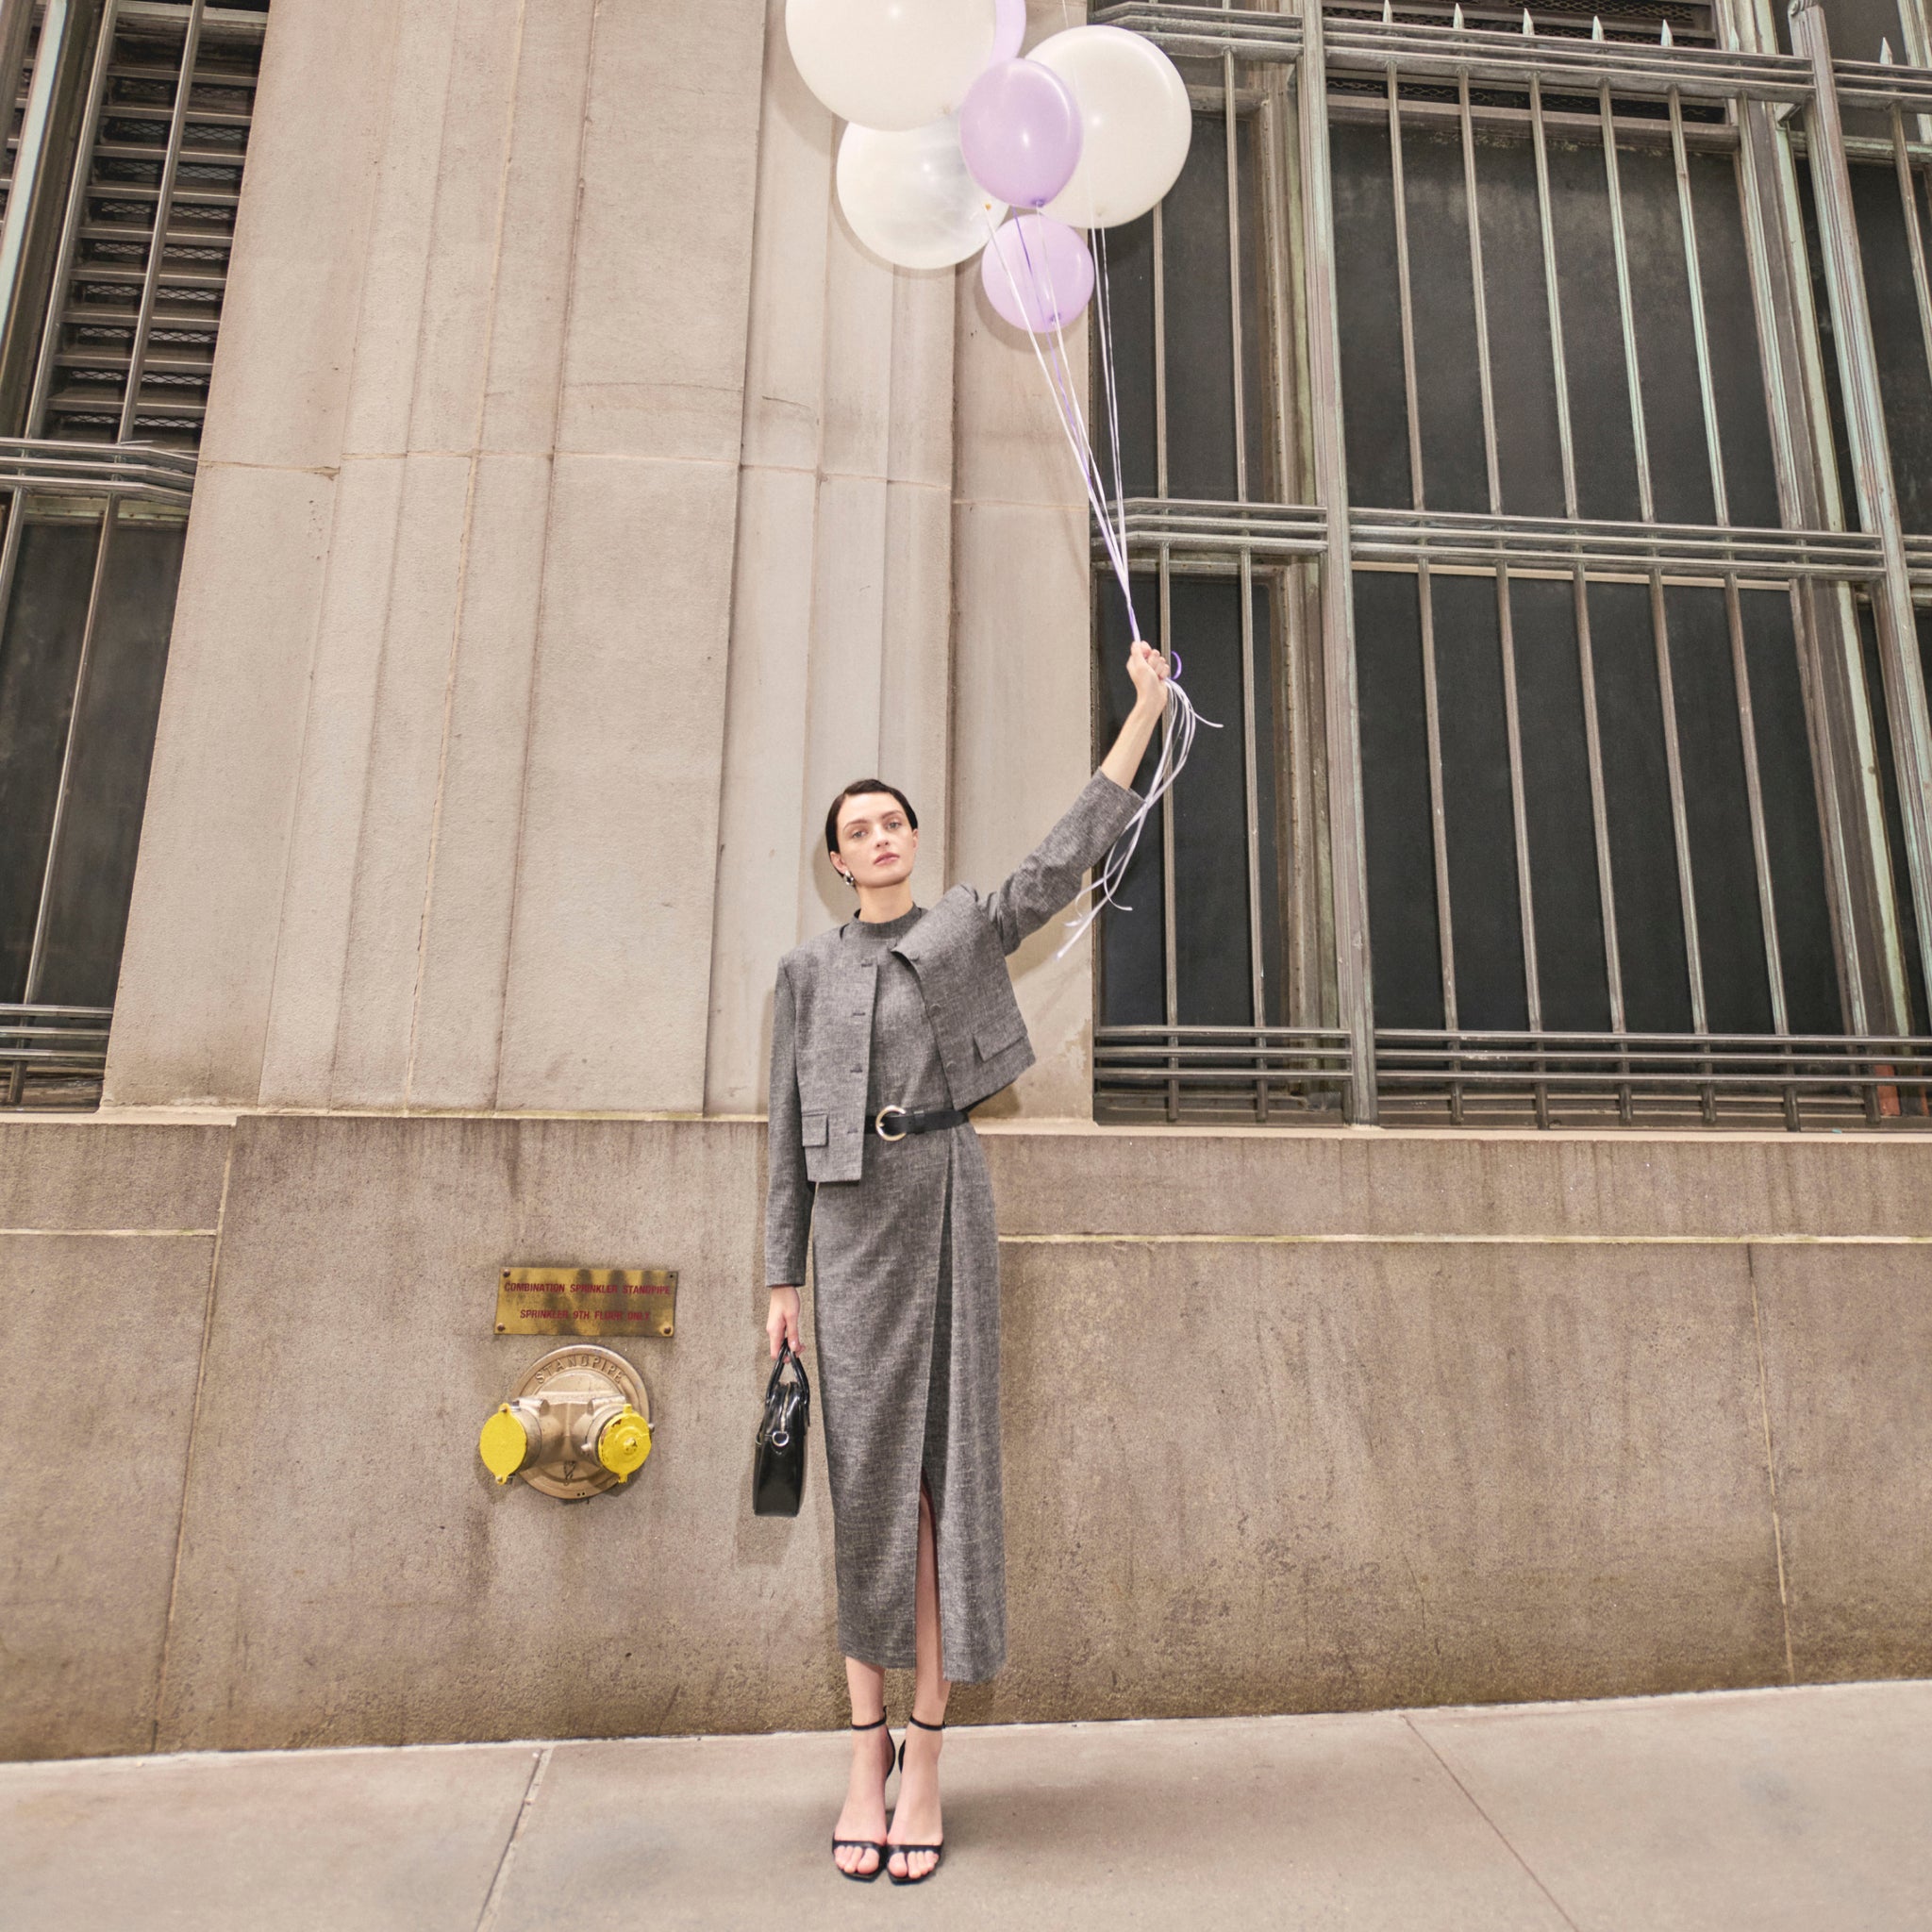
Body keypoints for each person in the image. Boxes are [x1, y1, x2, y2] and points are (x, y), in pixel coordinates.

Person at [763, 637, 1174, 1884]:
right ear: (836, 860)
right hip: (845, 1236)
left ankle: (929, 1761)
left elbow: (1061, 860)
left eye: (894, 821)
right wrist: (780, 1281)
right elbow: (779, 1132)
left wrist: (1145, 714)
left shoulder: (958, 931)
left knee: (942, 1492)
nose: (881, 836)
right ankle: (862, 1753)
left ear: (911, 843)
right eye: (860, 826)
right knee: (863, 1494)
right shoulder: (803, 974)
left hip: (945, 1205)